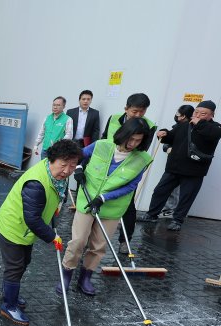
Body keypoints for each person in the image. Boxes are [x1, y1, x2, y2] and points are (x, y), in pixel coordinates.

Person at [60, 119, 153, 296]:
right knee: (78, 241)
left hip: (112, 207)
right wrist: (78, 168)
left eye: (138, 140)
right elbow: (78, 156)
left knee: (98, 245)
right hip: (87, 200)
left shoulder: (141, 159)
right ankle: (66, 274)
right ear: (123, 134)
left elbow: (131, 186)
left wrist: (104, 198)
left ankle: (85, 277)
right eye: (131, 139)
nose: (133, 144)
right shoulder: (101, 145)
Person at [0, 140, 81, 326]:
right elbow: (32, 219)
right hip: (14, 227)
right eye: (63, 164)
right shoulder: (36, 183)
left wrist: (55, 208)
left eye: (72, 166)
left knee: (24, 262)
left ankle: (9, 293)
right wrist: (52, 236)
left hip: (24, 231)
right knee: (15, 266)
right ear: (52, 159)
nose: (67, 170)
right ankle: (9, 305)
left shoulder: (55, 176)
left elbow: (53, 196)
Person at [138, 100, 221, 232]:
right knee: (160, 191)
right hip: (174, 167)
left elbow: (214, 134)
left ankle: (177, 220)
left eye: (203, 114)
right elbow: (171, 136)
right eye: (196, 112)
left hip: (195, 171)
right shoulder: (184, 125)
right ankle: (151, 215)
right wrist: (164, 133)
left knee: (186, 197)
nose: (198, 115)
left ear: (212, 115)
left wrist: (199, 123)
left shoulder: (215, 127)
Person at [100, 93, 157, 249]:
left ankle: (125, 241)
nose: (138, 115)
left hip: (128, 168)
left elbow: (143, 148)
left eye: (142, 111)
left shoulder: (149, 126)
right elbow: (104, 138)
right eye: (134, 111)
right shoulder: (113, 118)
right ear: (126, 108)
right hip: (106, 165)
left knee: (128, 203)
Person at [160, 104, 195, 218]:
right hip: (173, 163)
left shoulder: (192, 129)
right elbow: (168, 142)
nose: (176, 115)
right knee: (168, 188)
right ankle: (168, 209)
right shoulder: (176, 127)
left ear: (183, 116)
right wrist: (167, 147)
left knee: (177, 189)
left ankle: (171, 210)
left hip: (184, 165)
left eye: (178, 113)